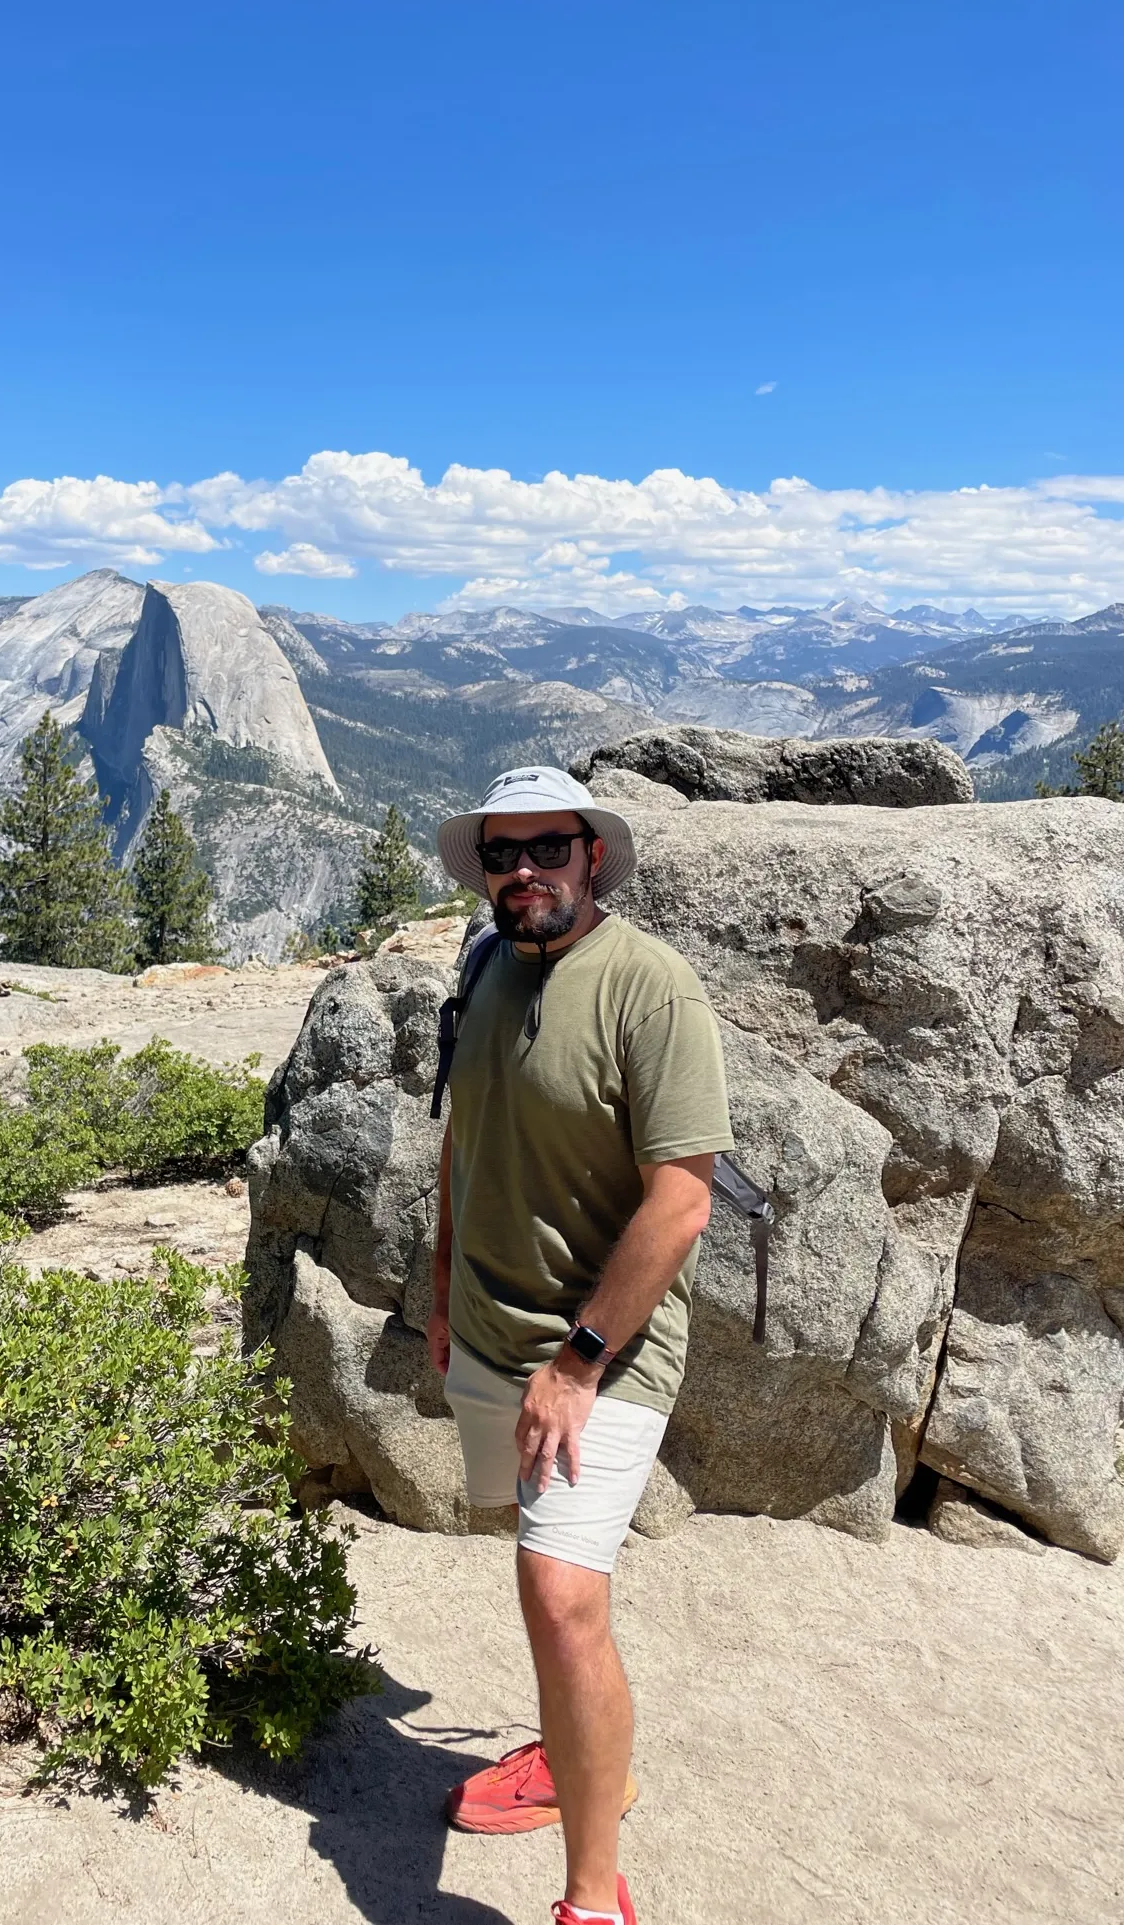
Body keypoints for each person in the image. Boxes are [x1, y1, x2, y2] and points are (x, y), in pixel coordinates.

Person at [430, 765, 733, 1925]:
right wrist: (442, 1286)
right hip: (491, 1326)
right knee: (539, 1566)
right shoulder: (487, 967)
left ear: (591, 856)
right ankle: (564, 1760)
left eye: (547, 850)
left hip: (604, 1347)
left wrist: (579, 1360)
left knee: (561, 1594)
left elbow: (682, 1204)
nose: (523, 875)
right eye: (503, 855)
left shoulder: (654, 990)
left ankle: (594, 1901)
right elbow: (468, 1136)